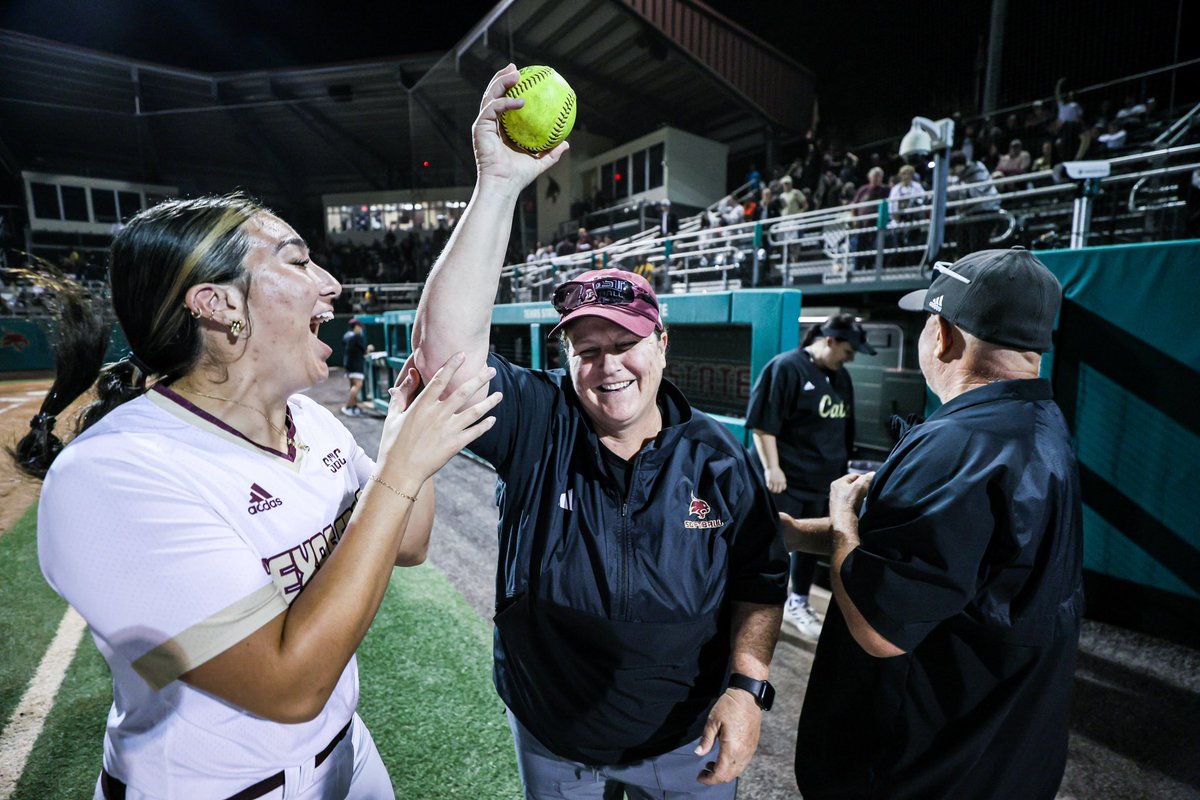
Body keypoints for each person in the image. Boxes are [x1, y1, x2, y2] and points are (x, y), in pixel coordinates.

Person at [16, 195, 500, 799]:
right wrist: (399, 469)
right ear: (218, 305)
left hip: (347, 755)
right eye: (297, 262)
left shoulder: (309, 422)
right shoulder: (114, 471)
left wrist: (408, 452)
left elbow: (408, 540)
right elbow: (288, 688)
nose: (332, 285)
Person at [411, 65, 788, 800]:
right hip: (557, 739)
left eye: (625, 344)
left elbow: (761, 580)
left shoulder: (717, 457)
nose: (608, 366)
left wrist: (748, 687)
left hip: (689, 740)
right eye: (587, 350)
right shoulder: (540, 422)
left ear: (663, 345)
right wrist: (498, 184)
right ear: (566, 359)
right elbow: (445, 359)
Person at [784, 247, 1084, 799]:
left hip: (920, 770)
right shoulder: (1037, 422)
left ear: (943, 334)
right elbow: (944, 561)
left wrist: (843, 516)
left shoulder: (961, 445)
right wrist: (790, 533)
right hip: (998, 754)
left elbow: (880, 629)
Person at [745, 313, 875, 642]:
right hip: (786, 478)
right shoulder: (786, 366)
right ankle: (756, 604)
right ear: (829, 340)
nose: (851, 357)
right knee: (773, 543)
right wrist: (772, 468)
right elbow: (763, 424)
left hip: (823, 479)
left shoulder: (840, 376)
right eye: (848, 350)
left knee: (811, 547)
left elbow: (842, 429)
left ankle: (797, 602)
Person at [949, 151, 1002, 257]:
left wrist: (960, 190)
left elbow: (978, 193)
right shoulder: (959, 176)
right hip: (967, 214)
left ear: (959, 165)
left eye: (953, 168)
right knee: (962, 245)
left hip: (985, 210)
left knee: (976, 247)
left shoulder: (978, 169)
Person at [342, 316, 368, 416]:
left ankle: (354, 406)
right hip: (356, 365)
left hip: (348, 364)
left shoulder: (346, 336)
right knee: (357, 386)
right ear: (356, 326)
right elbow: (364, 350)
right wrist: (368, 349)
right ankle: (348, 406)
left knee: (352, 385)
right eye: (359, 326)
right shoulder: (357, 336)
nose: (360, 328)